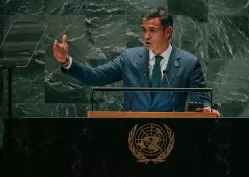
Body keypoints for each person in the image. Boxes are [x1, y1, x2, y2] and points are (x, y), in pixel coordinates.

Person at [53, 7, 220, 116]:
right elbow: (94, 76)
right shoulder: (129, 58)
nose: (146, 36)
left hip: (173, 137)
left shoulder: (188, 63)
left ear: (168, 31)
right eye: (144, 30)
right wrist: (67, 61)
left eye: (152, 31)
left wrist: (205, 109)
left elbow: (200, 100)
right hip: (131, 136)